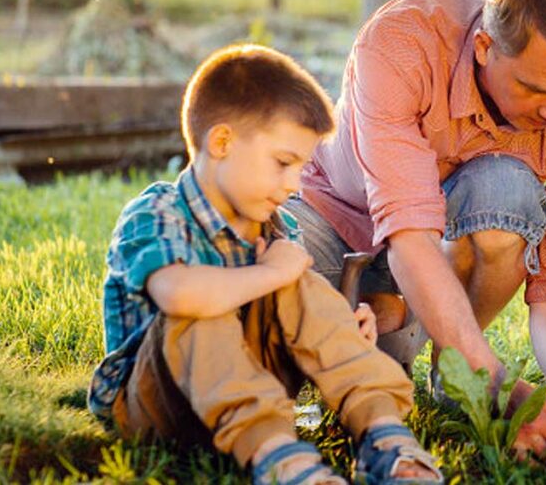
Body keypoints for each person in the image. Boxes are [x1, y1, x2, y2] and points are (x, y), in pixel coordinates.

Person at [287, 0, 546, 456]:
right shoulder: (403, 44)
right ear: (484, 47)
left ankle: (454, 368)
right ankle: (437, 352)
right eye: (534, 89)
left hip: (430, 255)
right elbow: (409, 238)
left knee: (508, 188)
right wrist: (499, 382)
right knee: (263, 323)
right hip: (333, 215)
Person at [87, 44, 442, 485]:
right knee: (203, 305)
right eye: (282, 163)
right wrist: (274, 273)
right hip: (159, 405)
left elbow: (297, 311)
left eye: (300, 168)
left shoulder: (277, 227)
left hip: (252, 387)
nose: (293, 184)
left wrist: (344, 321)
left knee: (304, 290)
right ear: (221, 142)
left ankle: (383, 434)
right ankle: (280, 459)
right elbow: (179, 294)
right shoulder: (159, 212)